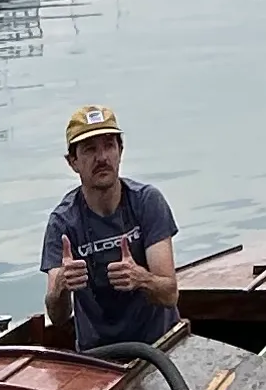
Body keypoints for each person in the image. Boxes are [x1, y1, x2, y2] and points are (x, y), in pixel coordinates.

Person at [41, 104, 178, 352]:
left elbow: (170, 294)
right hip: (99, 355)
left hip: (160, 345)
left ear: (120, 151)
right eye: (90, 149)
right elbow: (58, 316)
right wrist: (61, 285)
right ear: (73, 161)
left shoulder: (147, 202)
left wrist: (141, 279)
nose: (102, 157)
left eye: (108, 146)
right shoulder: (62, 222)